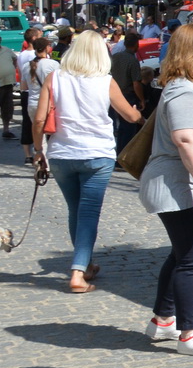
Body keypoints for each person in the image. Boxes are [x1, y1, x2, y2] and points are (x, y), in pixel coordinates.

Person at [31, 30, 141, 293]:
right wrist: (142, 118)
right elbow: (128, 116)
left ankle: (87, 264)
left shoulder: (54, 77)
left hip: (61, 154)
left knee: (75, 210)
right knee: (89, 213)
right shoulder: (105, 81)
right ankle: (78, 273)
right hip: (97, 154)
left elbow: (38, 119)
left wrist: (38, 151)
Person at [139, 25, 193, 357]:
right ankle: (190, 333)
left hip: (175, 185)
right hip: (178, 187)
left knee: (181, 255)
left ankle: (163, 318)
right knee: (192, 260)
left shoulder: (181, 87)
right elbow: (185, 138)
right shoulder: (185, 90)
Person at [20, 35, 55, 165]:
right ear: (47, 48)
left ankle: (39, 159)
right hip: (49, 103)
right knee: (52, 134)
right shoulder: (53, 64)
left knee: (38, 134)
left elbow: (23, 87)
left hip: (33, 103)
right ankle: (49, 162)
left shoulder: (26, 66)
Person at [109, 35, 143, 152]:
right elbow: (136, 84)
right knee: (128, 128)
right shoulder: (132, 61)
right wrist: (142, 99)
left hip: (112, 94)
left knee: (117, 127)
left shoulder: (115, 57)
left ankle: (117, 154)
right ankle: (123, 156)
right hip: (128, 96)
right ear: (136, 45)